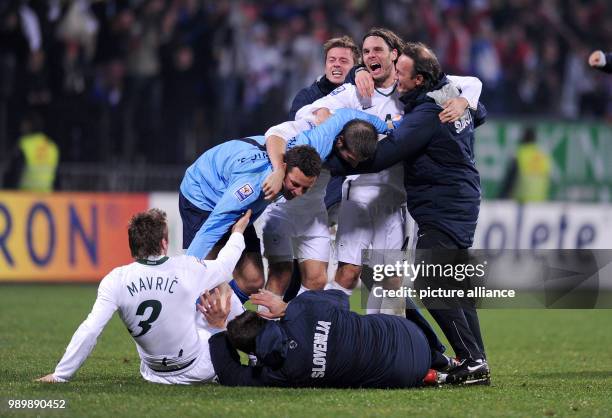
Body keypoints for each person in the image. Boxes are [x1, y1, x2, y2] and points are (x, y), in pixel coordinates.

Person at [325, 42, 489, 385]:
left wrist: (332, 163)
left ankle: (472, 359)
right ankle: (475, 361)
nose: (396, 77)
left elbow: (388, 153)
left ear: (419, 80)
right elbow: (481, 110)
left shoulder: (427, 114)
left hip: (443, 205)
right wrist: (465, 102)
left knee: (432, 284)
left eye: (401, 73)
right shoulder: (446, 96)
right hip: (458, 200)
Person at [292, 28, 484, 311]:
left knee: (389, 280)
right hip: (357, 193)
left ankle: (379, 344)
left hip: (395, 198)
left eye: (377, 50)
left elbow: (472, 83)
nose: (371, 56)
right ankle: (328, 327)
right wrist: (321, 114)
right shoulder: (354, 90)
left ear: (394, 55)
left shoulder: (409, 88)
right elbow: (304, 112)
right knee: (349, 272)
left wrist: (463, 100)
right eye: (366, 52)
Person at [180, 109, 388, 304]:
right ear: (284, 168)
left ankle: (228, 318)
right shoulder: (250, 188)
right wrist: (180, 279)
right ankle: (195, 310)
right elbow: (211, 228)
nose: (298, 193)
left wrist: (387, 127)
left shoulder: (314, 144)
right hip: (203, 197)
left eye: (306, 188)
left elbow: (345, 115)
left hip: (235, 193)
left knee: (252, 281)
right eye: (295, 185)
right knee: (202, 279)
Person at [36, 208, 250, 385]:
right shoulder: (185, 267)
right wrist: (238, 232)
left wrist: (60, 375)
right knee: (221, 289)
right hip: (199, 369)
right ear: (164, 243)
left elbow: (90, 329)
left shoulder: (115, 279)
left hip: (154, 374)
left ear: (133, 246)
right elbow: (224, 265)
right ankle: (255, 356)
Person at [261, 35, 360, 301]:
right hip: (303, 198)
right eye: (332, 60)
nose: (336, 65)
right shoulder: (308, 96)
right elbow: (304, 149)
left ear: (355, 66)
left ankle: (304, 327)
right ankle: (272, 330)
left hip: (337, 198)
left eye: (344, 61)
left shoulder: (358, 97)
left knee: (326, 275)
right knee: (285, 275)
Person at [207, 289, 431, 388]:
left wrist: (218, 328)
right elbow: (341, 299)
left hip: (407, 374)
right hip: (411, 333)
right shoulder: (302, 309)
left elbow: (229, 374)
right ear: (264, 318)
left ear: (252, 353)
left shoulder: (278, 373)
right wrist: (286, 307)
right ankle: (442, 357)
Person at [4, 111, 59, 191]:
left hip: (25, 195)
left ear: (30, 125)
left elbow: (15, 172)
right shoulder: (52, 147)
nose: (21, 127)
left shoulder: (24, 144)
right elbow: (57, 176)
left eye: (23, 124)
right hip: (47, 196)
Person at [499, 126, 551, 202]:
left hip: (522, 202)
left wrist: (501, 198)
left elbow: (509, 182)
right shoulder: (544, 155)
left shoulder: (519, 154)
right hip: (540, 202)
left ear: (523, 139)